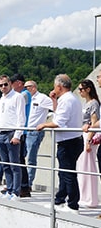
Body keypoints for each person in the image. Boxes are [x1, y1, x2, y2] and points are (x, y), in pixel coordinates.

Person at [37, 74, 83, 213]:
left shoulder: (67, 100)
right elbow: (59, 114)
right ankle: (60, 200)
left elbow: (58, 122)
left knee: (68, 174)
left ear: (59, 86)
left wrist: (43, 124)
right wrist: (53, 100)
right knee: (63, 173)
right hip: (72, 140)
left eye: (54, 86)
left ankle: (73, 205)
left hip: (68, 142)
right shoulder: (71, 99)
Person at [0, 74, 26, 200]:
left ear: (10, 84)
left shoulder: (18, 97)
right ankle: (9, 188)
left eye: (5, 84)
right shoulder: (2, 98)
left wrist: (17, 135)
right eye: (0, 85)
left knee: (15, 164)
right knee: (5, 165)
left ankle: (16, 192)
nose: (3, 87)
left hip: (12, 133)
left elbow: (21, 117)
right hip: (1, 133)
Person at [24, 81, 53, 190]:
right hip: (25, 130)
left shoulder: (42, 98)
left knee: (31, 158)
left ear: (34, 87)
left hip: (35, 131)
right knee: (23, 158)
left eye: (28, 87)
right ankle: (24, 182)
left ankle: (29, 184)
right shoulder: (26, 99)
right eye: (25, 87)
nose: (26, 89)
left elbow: (56, 108)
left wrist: (45, 123)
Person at [76, 79, 100, 208]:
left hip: (88, 137)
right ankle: (84, 196)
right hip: (84, 136)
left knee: (88, 168)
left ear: (88, 89)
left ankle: (90, 199)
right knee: (82, 168)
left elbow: (94, 122)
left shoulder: (94, 104)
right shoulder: (86, 103)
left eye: (81, 89)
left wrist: (89, 140)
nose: (79, 91)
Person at [10, 73, 31, 197]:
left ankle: (23, 187)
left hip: (21, 131)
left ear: (19, 83)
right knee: (17, 160)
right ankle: (19, 185)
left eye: (12, 84)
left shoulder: (23, 95)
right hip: (20, 131)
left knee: (19, 160)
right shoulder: (22, 95)